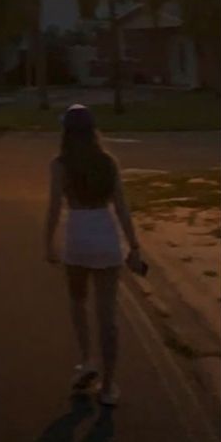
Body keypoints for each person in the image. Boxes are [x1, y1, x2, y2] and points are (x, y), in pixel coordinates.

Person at [44, 103, 144, 406]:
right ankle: (109, 386)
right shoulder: (108, 162)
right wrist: (134, 246)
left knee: (77, 301)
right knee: (108, 315)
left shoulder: (60, 164)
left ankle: (88, 359)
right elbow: (122, 209)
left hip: (77, 235)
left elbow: (53, 207)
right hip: (105, 236)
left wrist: (47, 242)